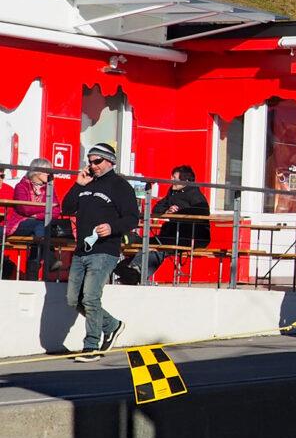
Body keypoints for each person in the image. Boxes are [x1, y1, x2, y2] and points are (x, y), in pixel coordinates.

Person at [61, 142, 135, 359]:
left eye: (97, 161)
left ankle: (91, 346)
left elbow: (132, 218)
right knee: (73, 299)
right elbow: (66, 208)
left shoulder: (121, 186)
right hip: (82, 250)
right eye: (90, 161)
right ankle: (112, 325)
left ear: (110, 161)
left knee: (91, 298)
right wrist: (77, 185)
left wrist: (112, 228)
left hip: (105, 250)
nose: (93, 166)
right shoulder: (86, 183)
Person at [146, 165, 210, 280]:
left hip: (192, 236)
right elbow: (156, 209)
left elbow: (203, 211)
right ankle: (127, 269)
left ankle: (137, 272)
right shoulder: (172, 192)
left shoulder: (194, 194)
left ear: (185, 181)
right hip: (172, 233)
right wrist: (167, 210)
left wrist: (179, 212)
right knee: (145, 242)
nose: (171, 180)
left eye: (175, 178)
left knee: (159, 245)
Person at [3, 158, 57, 279]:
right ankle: (50, 258)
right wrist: (44, 211)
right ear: (37, 172)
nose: (50, 174)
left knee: (39, 231)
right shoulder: (21, 186)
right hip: (20, 223)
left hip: (38, 226)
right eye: (47, 171)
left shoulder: (49, 188)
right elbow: (24, 208)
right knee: (41, 227)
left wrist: (37, 215)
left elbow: (56, 210)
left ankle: (32, 276)